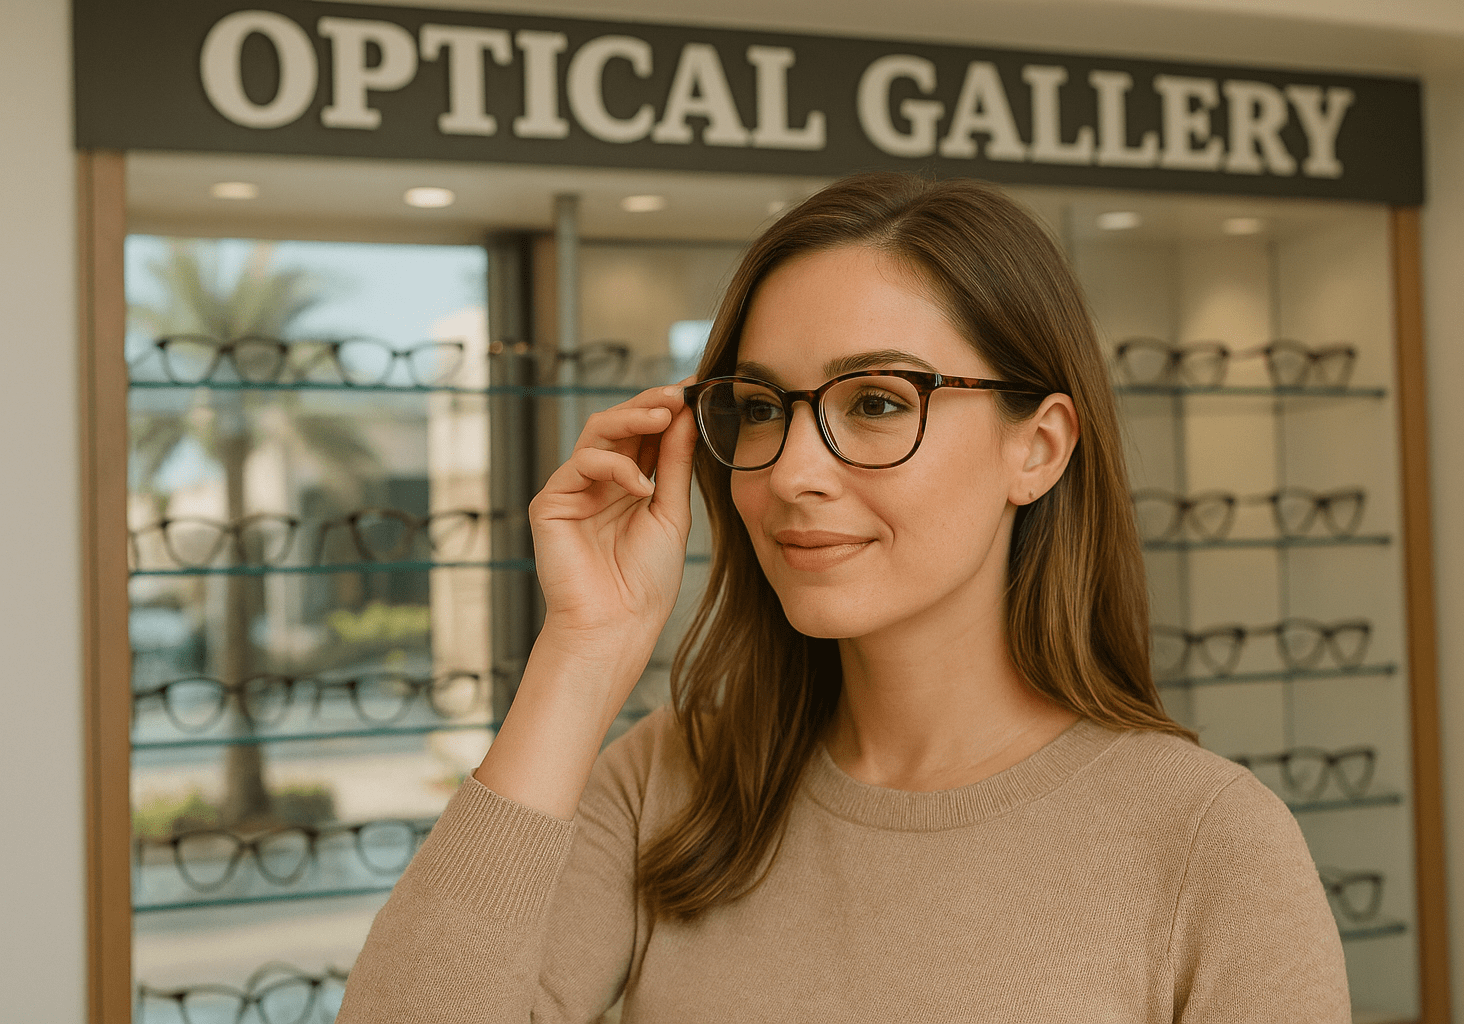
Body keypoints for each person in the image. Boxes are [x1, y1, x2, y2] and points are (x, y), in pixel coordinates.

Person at [336, 173, 1350, 1022]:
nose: (791, 472)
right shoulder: (673, 784)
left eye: (875, 402)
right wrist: (581, 653)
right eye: (761, 408)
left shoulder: (1209, 842)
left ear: (1037, 448)